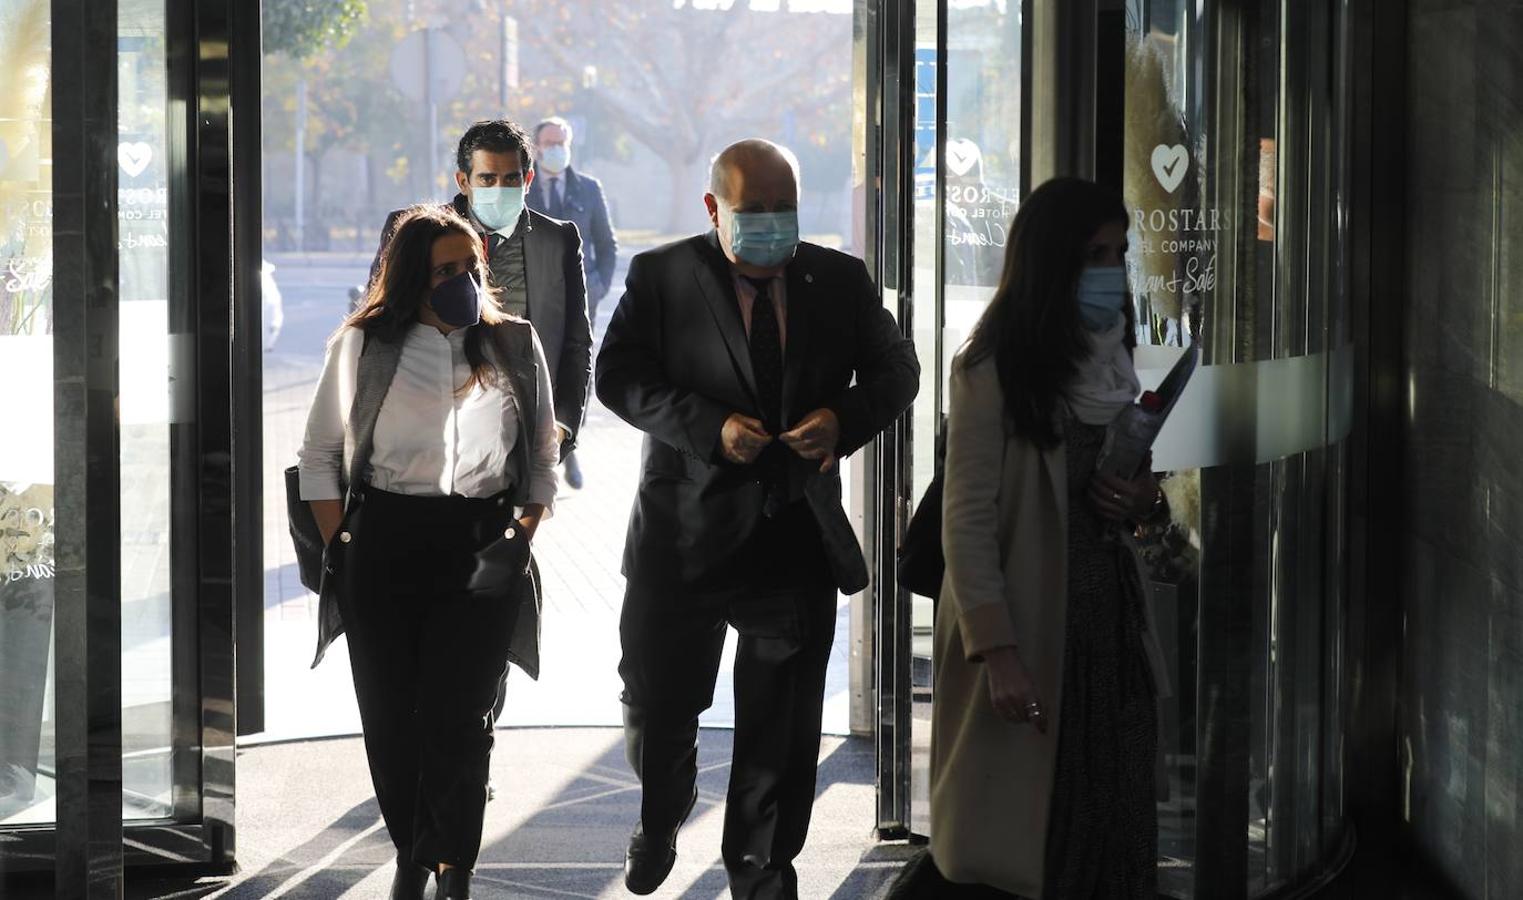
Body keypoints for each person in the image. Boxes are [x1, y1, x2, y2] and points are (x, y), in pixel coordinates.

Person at [596, 138, 919, 899]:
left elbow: (895, 368)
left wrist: (842, 419)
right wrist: (709, 428)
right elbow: (618, 376)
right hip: (683, 533)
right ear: (714, 208)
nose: (772, 223)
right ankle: (661, 815)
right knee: (658, 705)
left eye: (785, 208)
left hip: (791, 534)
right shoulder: (662, 276)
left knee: (780, 728)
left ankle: (761, 871)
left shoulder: (836, 279)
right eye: (754, 210)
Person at [300, 205, 560, 900]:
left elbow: (539, 457)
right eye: (447, 270)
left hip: (482, 545)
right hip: (383, 540)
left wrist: (520, 538)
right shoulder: (364, 345)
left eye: (471, 267)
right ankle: (413, 847)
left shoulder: (514, 343)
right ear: (413, 277)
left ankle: (453, 865)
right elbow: (319, 455)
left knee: (460, 716)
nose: (464, 281)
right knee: (391, 718)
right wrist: (343, 549)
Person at [924, 177, 1171, 899]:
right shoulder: (990, 369)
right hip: (1031, 627)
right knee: (1041, 826)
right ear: (1052, 260)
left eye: (1119, 251)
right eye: (1095, 253)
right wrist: (997, 653)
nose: (1111, 269)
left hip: (1109, 626)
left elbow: (1140, 497)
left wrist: (1142, 498)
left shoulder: (1114, 356)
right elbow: (964, 521)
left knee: (1116, 816)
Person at [373, 119, 592, 482]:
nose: (499, 188)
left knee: (513, 537)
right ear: (464, 181)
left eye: (511, 179)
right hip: (426, 432)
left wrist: (561, 429)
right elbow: (382, 327)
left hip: (522, 437)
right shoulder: (413, 232)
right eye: (487, 179)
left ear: (528, 180)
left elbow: (575, 344)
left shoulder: (559, 241)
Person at [525, 115, 617, 489]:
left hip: (580, 297)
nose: (556, 149)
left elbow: (607, 244)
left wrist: (598, 285)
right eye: (549, 142)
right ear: (535, 147)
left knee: (576, 367)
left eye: (562, 142)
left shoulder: (588, 189)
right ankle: (541, 449)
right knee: (536, 367)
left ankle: (568, 444)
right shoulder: (521, 185)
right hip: (533, 294)